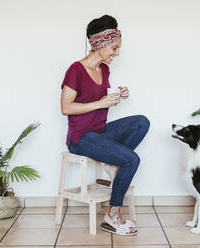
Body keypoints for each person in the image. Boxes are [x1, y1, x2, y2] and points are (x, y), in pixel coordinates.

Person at [60, 15, 150, 236]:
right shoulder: (76, 70)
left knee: (141, 122)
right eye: (114, 48)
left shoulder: (105, 69)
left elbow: (101, 100)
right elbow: (66, 107)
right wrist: (99, 103)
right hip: (81, 138)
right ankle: (112, 215)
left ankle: (112, 167)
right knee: (131, 159)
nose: (117, 53)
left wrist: (119, 95)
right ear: (100, 43)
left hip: (100, 132)